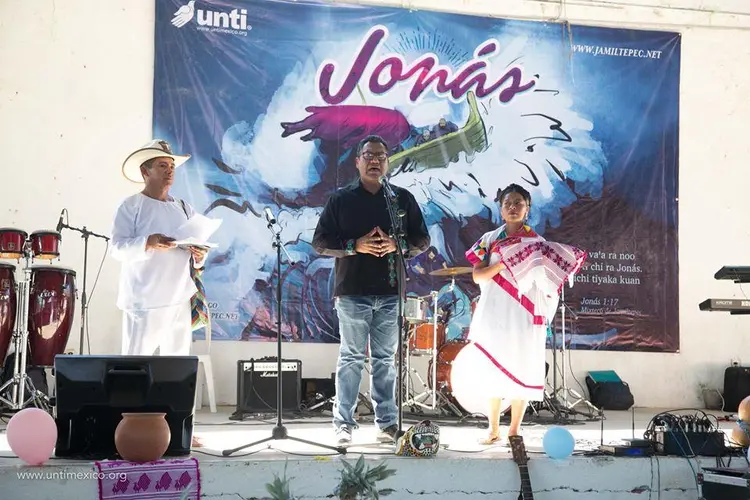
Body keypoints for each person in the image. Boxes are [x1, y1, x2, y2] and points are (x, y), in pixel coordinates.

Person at [312, 135, 431, 445]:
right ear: (357, 161)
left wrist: (396, 244)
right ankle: (343, 424)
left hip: (391, 291)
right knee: (351, 357)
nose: (374, 160)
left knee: (385, 360)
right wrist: (355, 246)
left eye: (380, 156)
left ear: (388, 162)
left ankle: (387, 423)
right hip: (352, 290)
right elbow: (320, 243)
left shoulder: (401, 200)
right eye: (368, 155)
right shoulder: (341, 200)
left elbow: (422, 239)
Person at [110, 139, 208, 446]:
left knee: (178, 369)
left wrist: (199, 255)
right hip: (144, 300)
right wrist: (147, 242)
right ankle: (127, 431)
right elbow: (117, 248)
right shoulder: (131, 206)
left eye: (172, 166)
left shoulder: (184, 207)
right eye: (162, 165)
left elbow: (196, 250)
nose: (169, 171)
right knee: (135, 367)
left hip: (179, 298)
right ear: (145, 171)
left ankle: (180, 430)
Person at [464, 184, 564, 444]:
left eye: (518, 203)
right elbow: (478, 276)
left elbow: (547, 284)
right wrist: (502, 265)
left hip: (524, 313)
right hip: (495, 311)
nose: (512, 207)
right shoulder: (489, 239)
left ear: (527, 209)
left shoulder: (538, 244)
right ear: (500, 209)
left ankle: (514, 430)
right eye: (507, 203)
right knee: (493, 367)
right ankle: (493, 429)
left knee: (522, 365)